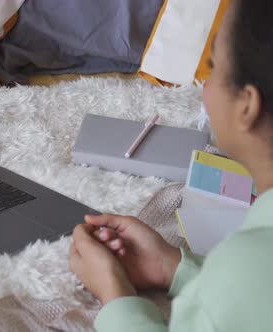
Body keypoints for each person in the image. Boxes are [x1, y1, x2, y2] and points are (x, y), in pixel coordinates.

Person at [69, 0, 273, 330]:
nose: (203, 89)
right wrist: (174, 266)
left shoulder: (247, 264)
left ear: (247, 105)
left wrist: (116, 294)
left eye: (213, 67)